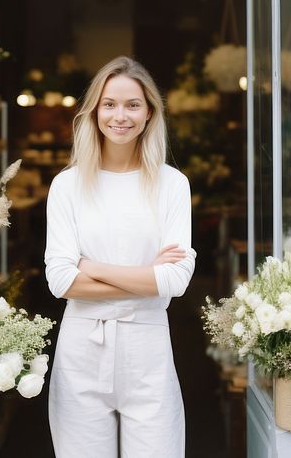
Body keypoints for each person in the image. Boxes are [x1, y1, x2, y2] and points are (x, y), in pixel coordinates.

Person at [44, 55, 195, 458]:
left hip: (147, 349)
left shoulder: (171, 184)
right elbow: (60, 281)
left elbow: (174, 281)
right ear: (94, 112)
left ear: (149, 113)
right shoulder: (67, 185)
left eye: (132, 105)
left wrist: (90, 267)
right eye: (109, 104)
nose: (120, 116)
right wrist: (146, 276)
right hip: (82, 349)